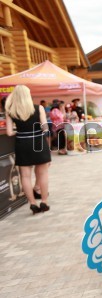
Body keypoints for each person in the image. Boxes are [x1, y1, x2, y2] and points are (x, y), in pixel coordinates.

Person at [5, 85, 52, 214]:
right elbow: (45, 128)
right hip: (38, 142)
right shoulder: (39, 108)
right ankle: (44, 201)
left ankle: (32, 203)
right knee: (43, 174)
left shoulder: (10, 111)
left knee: (25, 176)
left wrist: (21, 132)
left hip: (22, 144)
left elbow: (9, 132)